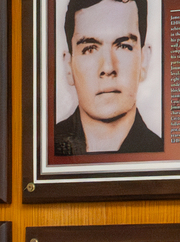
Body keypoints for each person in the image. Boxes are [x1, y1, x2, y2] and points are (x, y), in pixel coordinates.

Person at [53, 0, 162, 155]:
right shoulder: (43, 151)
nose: (108, 68)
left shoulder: (162, 154)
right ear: (68, 67)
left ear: (144, 60)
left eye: (124, 46)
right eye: (89, 49)